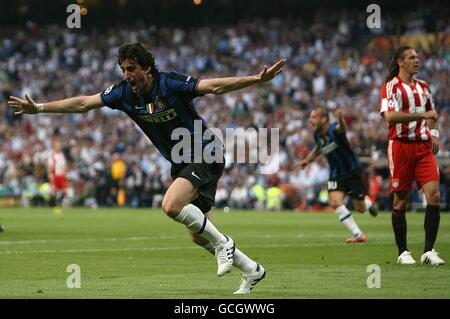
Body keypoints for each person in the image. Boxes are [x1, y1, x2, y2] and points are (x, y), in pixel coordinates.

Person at [9, 42, 287, 293]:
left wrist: (256, 79)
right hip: (181, 161)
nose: (127, 75)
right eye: (123, 69)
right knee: (198, 235)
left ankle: (224, 245)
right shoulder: (122, 93)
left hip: (206, 152)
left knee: (171, 205)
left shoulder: (169, 83)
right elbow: (84, 103)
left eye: (131, 69)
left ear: (147, 68)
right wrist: (41, 107)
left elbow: (214, 86)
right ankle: (252, 269)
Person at [380, 46, 444, 265]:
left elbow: (432, 114)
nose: (417, 60)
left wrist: (434, 134)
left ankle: (429, 251)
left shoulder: (424, 87)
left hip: (424, 147)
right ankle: (403, 252)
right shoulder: (391, 87)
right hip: (400, 147)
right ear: (400, 61)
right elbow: (389, 116)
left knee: (434, 195)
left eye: (417, 57)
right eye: (412, 57)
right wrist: (421, 114)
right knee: (401, 201)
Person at [296, 107, 378, 243]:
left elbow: (342, 128)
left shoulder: (334, 129)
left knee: (360, 208)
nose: (311, 120)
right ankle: (358, 234)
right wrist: (307, 160)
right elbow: (319, 147)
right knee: (335, 201)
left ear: (324, 119)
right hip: (335, 173)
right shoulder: (317, 135)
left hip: (351, 171)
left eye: (314, 117)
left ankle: (368, 203)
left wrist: (340, 118)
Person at [47, 139, 68, 214]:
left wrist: (66, 173)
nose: (59, 147)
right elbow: (50, 166)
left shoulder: (62, 155)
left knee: (65, 192)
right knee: (54, 192)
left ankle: (58, 205)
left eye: (59, 145)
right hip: (55, 175)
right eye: (57, 145)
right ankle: (53, 206)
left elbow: (65, 165)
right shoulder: (52, 155)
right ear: (54, 146)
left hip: (61, 175)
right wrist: (50, 175)